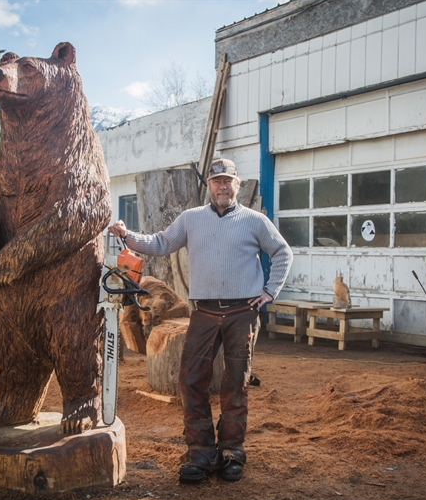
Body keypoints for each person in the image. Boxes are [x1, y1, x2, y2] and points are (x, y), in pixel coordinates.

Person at [108, 158, 293, 483]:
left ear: (237, 184)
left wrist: (268, 292)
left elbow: (282, 252)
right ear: (209, 185)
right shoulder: (191, 219)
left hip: (241, 313)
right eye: (216, 181)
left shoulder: (254, 221)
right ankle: (201, 452)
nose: (222, 186)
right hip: (204, 312)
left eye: (227, 181)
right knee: (190, 380)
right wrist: (127, 235)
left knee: (236, 383)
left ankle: (231, 451)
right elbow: (161, 243)